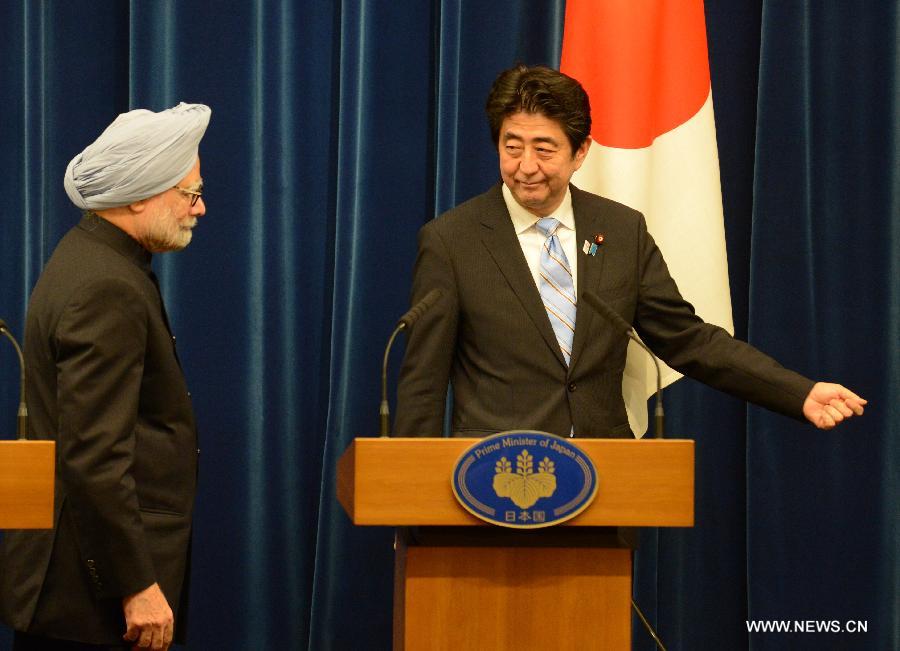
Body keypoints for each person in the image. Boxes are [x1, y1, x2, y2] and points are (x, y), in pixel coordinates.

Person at [395, 65, 865, 439]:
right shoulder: (451, 240)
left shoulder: (620, 230)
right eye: (511, 147)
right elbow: (423, 384)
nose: (525, 167)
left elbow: (688, 340)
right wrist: (410, 506)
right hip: (492, 481)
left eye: (544, 149)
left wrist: (797, 392)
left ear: (581, 151)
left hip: (607, 482)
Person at [0, 102, 210, 651]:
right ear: (139, 195)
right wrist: (136, 585)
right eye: (190, 193)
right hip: (91, 605)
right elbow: (93, 456)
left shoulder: (91, 258)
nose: (201, 208)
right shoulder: (107, 285)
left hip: (79, 588)